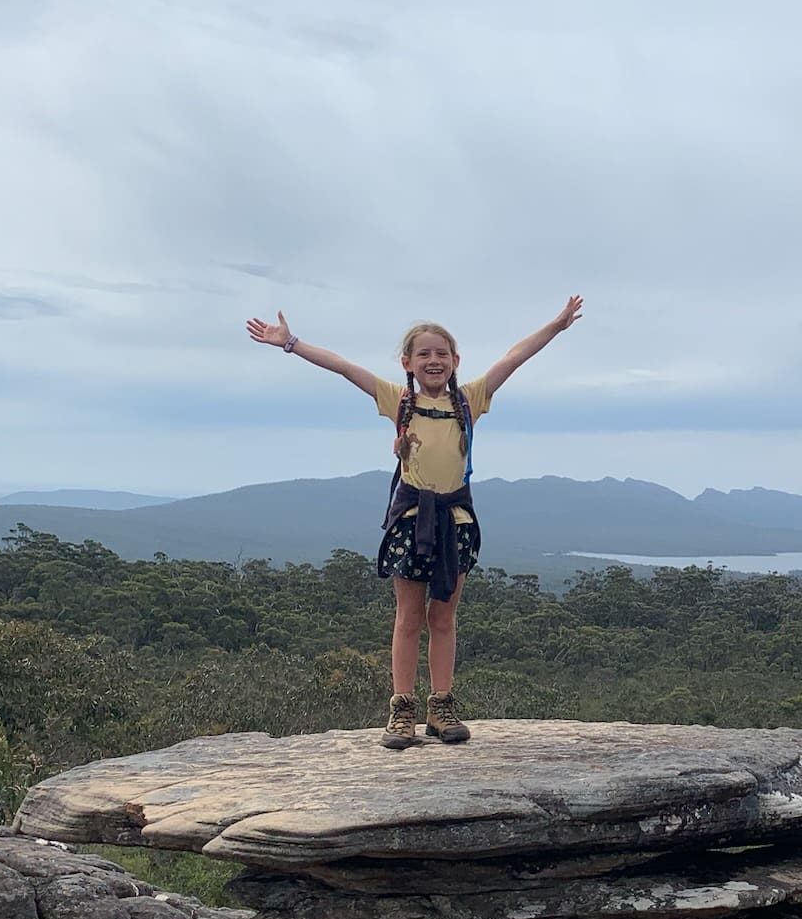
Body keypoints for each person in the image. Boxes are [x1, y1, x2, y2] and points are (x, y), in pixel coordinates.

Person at [244, 297, 583, 747]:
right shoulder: (399, 400)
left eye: (442, 353)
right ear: (407, 362)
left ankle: (441, 707)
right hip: (411, 521)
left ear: (456, 360)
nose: (433, 360)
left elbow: (513, 357)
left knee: (443, 617)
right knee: (408, 618)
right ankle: (401, 709)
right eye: (424, 353)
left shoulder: (469, 400)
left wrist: (556, 326)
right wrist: (291, 343)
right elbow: (344, 367)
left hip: (456, 520)